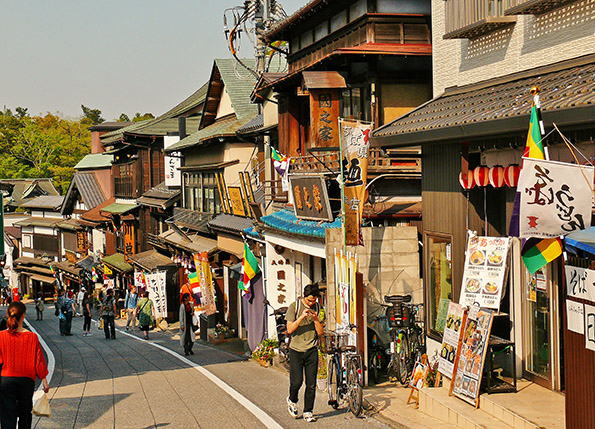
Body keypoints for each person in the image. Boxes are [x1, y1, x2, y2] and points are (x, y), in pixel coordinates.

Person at [0, 302, 50, 428]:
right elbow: (38, 360)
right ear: (23, 316)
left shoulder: (1, 337)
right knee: (25, 413)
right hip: (26, 380)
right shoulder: (32, 337)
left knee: (7, 413)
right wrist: (44, 380)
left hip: (6, 379)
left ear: (7, 315)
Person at [285, 284, 324, 423]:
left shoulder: (318, 308)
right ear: (304, 297)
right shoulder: (294, 307)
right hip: (296, 349)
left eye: (313, 301)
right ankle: (292, 399)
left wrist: (315, 319)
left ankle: (308, 411)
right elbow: (289, 329)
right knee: (296, 382)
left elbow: (320, 332)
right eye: (309, 301)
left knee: (311, 383)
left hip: (311, 349)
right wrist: (301, 317)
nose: (311, 303)